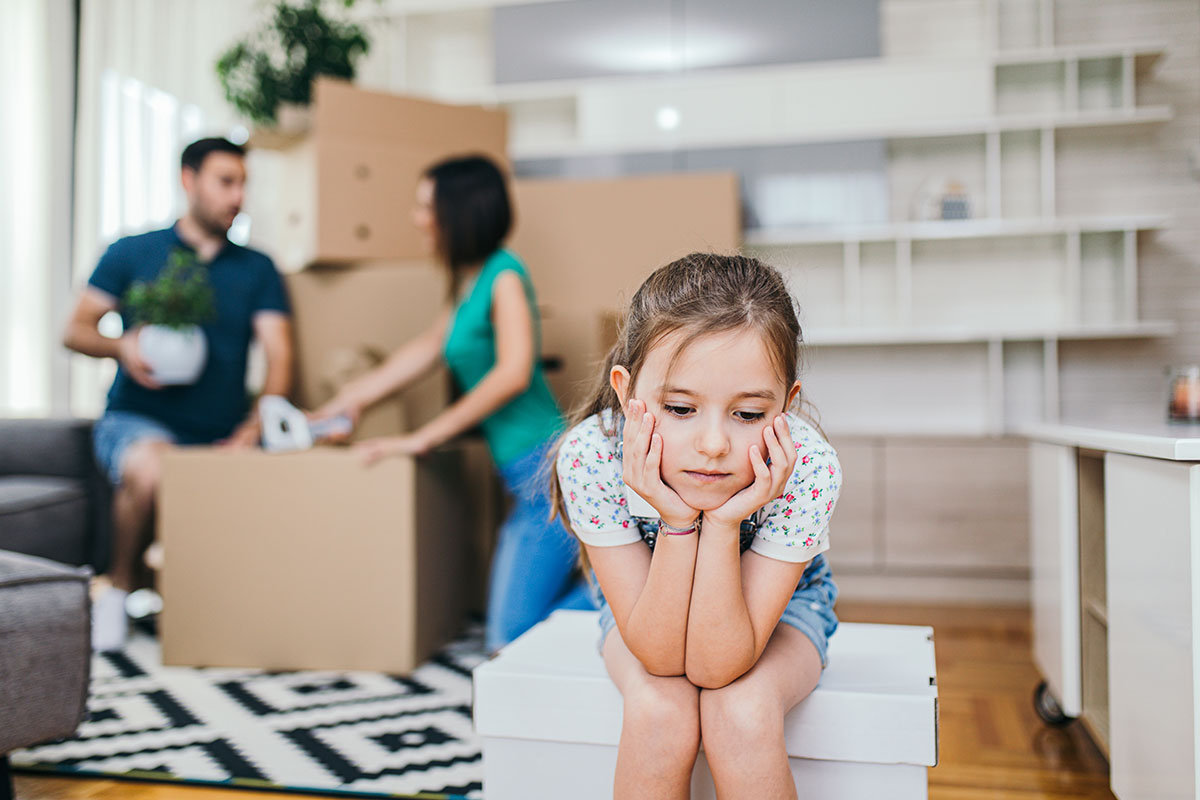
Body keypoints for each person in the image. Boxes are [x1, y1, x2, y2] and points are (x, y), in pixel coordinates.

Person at [551, 253, 841, 799]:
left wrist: (727, 521)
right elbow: (659, 655)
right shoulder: (592, 455)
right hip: (642, 603)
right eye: (680, 408)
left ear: (788, 406)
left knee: (742, 709)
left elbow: (718, 666)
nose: (713, 446)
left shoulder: (810, 467)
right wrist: (679, 520)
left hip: (784, 609)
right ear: (626, 392)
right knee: (660, 709)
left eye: (749, 415)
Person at [311, 154, 591, 651]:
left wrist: (421, 437)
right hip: (526, 484)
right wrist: (348, 401)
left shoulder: (505, 275)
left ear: (459, 213)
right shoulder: (471, 282)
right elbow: (425, 349)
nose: (418, 219)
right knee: (503, 639)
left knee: (510, 640)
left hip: (550, 477)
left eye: (426, 207)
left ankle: (621, 593)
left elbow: (512, 371)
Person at [63, 137, 294, 652]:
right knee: (153, 468)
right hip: (136, 422)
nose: (237, 197)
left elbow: (280, 357)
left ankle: (204, 604)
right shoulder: (132, 252)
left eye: (243, 184)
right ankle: (118, 591)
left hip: (219, 429)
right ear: (188, 180)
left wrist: (253, 428)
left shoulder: (257, 269)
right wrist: (123, 345)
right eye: (225, 182)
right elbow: (74, 330)